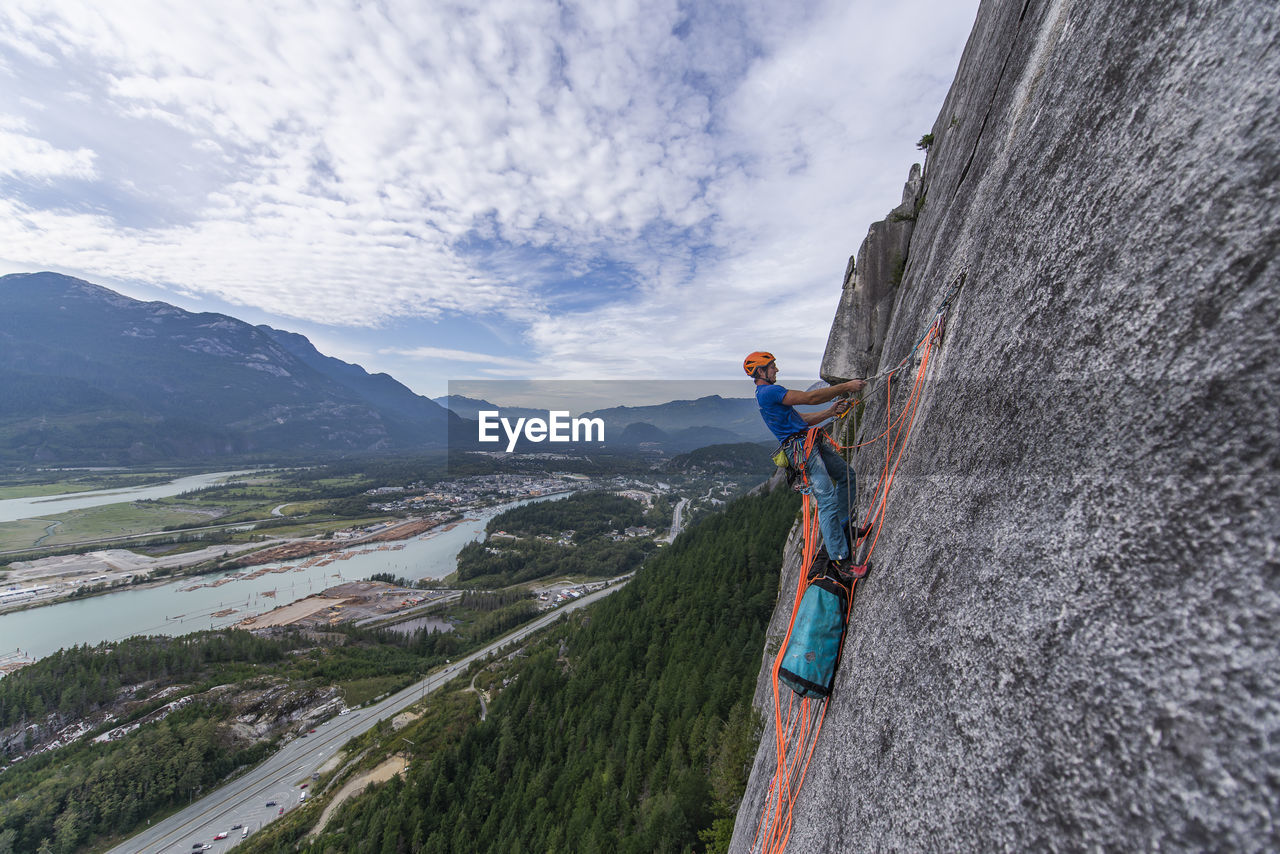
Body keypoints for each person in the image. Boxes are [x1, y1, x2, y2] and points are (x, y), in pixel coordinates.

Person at [745, 351, 869, 576]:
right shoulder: (769, 391)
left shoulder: (767, 394)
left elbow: (801, 420)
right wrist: (846, 386)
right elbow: (810, 398)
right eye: (772, 366)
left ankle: (842, 529)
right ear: (761, 371)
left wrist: (830, 412)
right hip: (802, 450)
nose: (776, 370)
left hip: (809, 442)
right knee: (827, 499)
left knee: (847, 476)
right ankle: (841, 561)